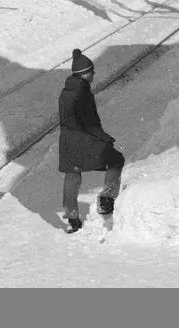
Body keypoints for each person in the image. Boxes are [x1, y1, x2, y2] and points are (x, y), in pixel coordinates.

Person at [58, 48, 125, 233]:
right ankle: (107, 199)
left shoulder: (66, 91)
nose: (94, 73)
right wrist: (104, 138)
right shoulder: (82, 92)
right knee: (116, 159)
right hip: (84, 140)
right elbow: (89, 122)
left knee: (72, 173)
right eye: (92, 71)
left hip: (67, 142)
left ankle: (72, 218)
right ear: (85, 73)